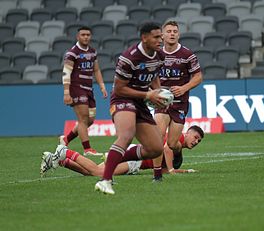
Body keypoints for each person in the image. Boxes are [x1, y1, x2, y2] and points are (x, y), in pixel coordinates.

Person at [94, 22, 168, 194]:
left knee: (155, 148)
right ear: (144, 38)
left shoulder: (160, 56)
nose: (160, 40)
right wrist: (148, 95)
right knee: (126, 134)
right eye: (156, 37)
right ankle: (105, 180)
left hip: (140, 101)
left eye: (160, 36)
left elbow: (153, 74)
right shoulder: (129, 58)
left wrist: (159, 92)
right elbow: (119, 88)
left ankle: (114, 156)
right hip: (122, 98)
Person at [40, 125, 204, 177]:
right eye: (195, 137)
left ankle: (60, 160)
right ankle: (65, 152)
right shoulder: (178, 138)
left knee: (91, 172)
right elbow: (166, 149)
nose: (196, 141)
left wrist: (183, 170)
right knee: (98, 173)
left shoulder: (179, 145)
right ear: (187, 132)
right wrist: (174, 170)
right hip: (135, 160)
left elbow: (166, 168)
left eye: (199, 140)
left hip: (135, 155)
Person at [152, 20, 203, 180]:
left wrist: (184, 88)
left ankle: (178, 153)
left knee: (173, 144)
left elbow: (198, 77)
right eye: (169, 31)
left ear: (178, 34)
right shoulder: (156, 54)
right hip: (162, 102)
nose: (172, 34)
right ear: (162, 35)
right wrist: (153, 91)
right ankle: (157, 174)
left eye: (175, 31)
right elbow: (149, 74)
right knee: (158, 137)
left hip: (180, 103)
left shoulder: (187, 55)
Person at [60, 26, 107, 156]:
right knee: (82, 119)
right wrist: (66, 92)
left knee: (90, 120)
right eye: (83, 35)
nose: (86, 37)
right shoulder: (72, 53)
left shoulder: (92, 52)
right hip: (76, 88)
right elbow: (66, 72)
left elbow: (96, 70)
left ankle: (66, 139)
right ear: (78, 37)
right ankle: (87, 149)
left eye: (88, 34)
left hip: (89, 89)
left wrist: (102, 85)